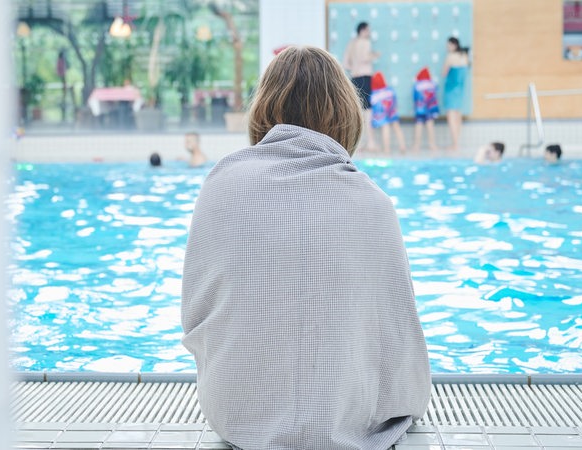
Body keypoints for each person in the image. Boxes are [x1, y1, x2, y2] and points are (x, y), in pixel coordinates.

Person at [182, 46, 431, 450]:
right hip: (349, 426)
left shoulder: (220, 187)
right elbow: (399, 344)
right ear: (345, 113)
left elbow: (195, 317)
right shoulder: (373, 204)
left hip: (235, 415)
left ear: (263, 108)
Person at [344, 21, 380, 151]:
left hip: (355, 77)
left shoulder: (351, 43)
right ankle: (370, 142)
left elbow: (346, 64)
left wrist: (355, 67)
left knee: (359, 110)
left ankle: (360, 143)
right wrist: (374, 55)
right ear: (363, 30)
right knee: (368, 111)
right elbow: (365, 57)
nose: (369, 33)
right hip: (365, 76)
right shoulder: (365, 42)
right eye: (368, 30)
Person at [442, 37, 470, 151]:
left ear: (453, 45)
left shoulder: (450, 57)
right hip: (460, 89)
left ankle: (455, 144)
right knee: (458, 116)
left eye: (448, 45)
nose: (447, 48)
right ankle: (456, 142)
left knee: (451, 116)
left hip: (451, 89)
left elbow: (444, 73)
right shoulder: (464, 56)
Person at [370, 71, 407, 154]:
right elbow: (395, 101)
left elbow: (373, 107)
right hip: (392, 111)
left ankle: (387, 149)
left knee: (385, 128)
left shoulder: (374, 94)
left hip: (382, 114)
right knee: (397, 127)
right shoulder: (390, 90)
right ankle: (402, 146)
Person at [412, 67, 440, 153]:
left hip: (420, 108)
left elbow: (415, 98)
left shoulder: (417, 85)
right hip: (430, 108)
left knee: (419, 124)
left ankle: (416, 145)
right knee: (430, 124)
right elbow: (435, 94)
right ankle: (432, 144)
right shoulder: (433, 83)